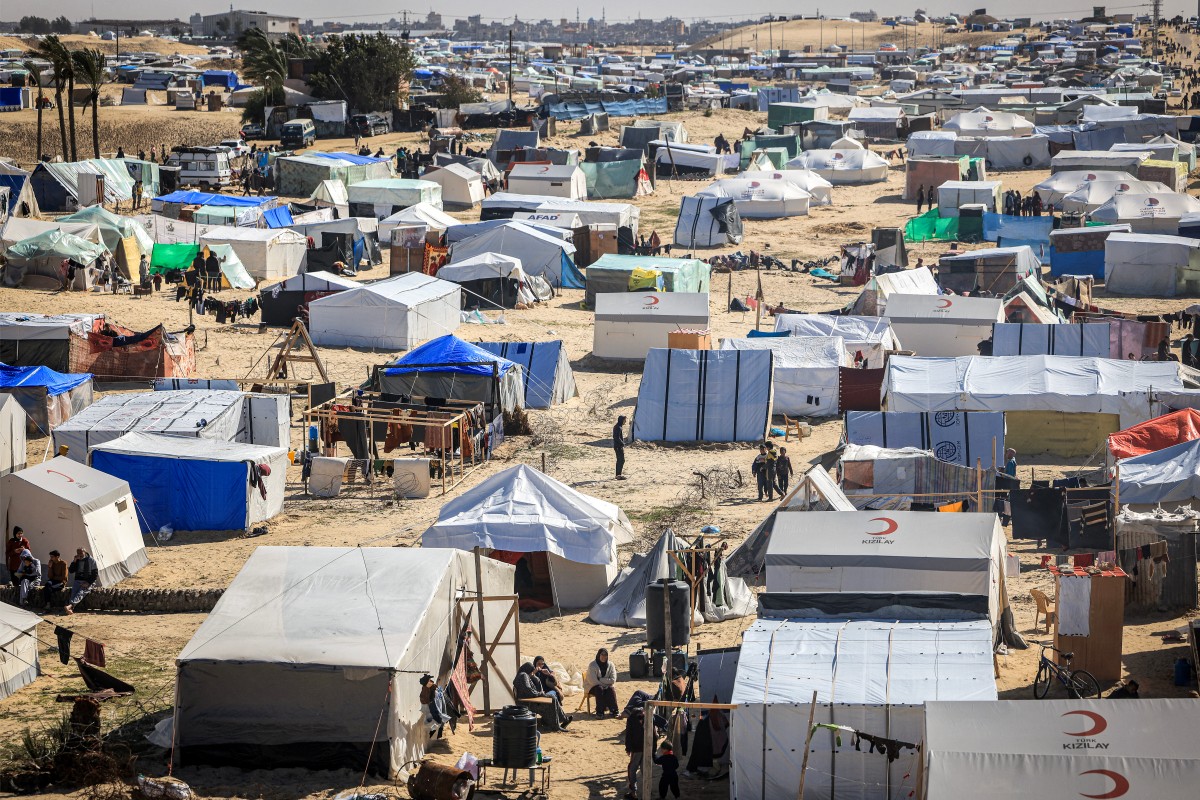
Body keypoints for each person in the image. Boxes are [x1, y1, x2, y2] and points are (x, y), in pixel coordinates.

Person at [514, 662, 571, 731]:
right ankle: (556, 725)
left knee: (552, 697)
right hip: (528, 704)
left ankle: (562, 720)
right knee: (552, 699)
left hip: (529, 701)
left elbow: (535, 687)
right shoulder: (523, 676)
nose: (532, 673)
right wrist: (539, 694)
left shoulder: (522, 675)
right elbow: (529, 691)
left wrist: (534, 677)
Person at [585, 647, 619, 717]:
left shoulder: (611, 665)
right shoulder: (592, 665)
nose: (604, 656)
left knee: (611, 689)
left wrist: (600, 679)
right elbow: (593, 681)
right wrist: (606, 684)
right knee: (599, 689)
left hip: (604, 685)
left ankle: (614, 710)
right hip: (592, 687)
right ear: (598, 655)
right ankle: (600, 712)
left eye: (605, 655)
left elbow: (613, 680)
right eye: (602, 654)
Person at [65, 547, 98, 614]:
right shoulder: (77, 560)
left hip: (88, 581)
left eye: (81, 553)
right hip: (78, 580)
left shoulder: (91, 560)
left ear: (85, 552)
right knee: (73, 593)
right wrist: (74, 561)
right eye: (78, 553)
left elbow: (95, 574)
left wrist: (88, 583)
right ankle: (70, 608)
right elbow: (71, 570)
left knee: (81, 592)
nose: (79, 554)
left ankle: (70, 606)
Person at [624, 703, 647, 797]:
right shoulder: (647, 718)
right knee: (644, 768)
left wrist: (628, 748)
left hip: (637, 748)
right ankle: (646, 791)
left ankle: (634, 792)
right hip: (646, 748)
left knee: (632, 769)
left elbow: (628, 735)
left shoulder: (632, 719)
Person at [613, 415, 627, 480]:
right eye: (624, 420)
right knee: (621, 460)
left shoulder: (618, 426)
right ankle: (618, 475)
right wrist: (622, 443)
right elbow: (616, 437)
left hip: (617, 446)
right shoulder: (618, 427)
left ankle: (618, 475)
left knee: (620, 460)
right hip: (618, 447)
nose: (625, 422)